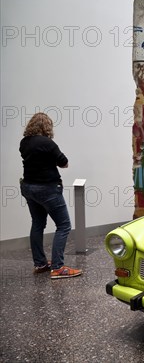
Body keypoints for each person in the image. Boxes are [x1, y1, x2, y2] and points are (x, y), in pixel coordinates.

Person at [19, 112, 82, 279]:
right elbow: (64, 163)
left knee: (37, 223)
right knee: (64, 225)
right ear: (47, 126)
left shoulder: (24, 142)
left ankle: (40, 263)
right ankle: (58, 267)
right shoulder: (48, 143)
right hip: (47, 189)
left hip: (28, 187)